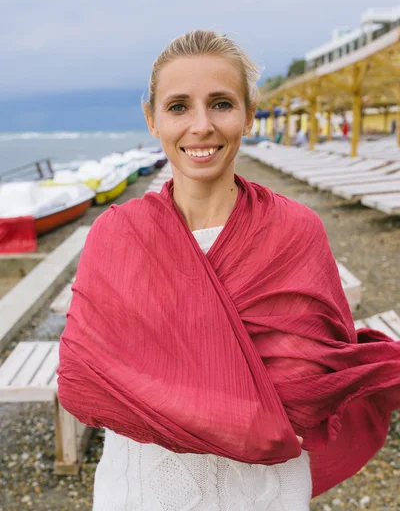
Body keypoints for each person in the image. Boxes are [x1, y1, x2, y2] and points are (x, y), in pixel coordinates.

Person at [58, 30, 400, 511]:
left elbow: (309, 390)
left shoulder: (296, 232)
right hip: (142, 491)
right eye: (178, 107)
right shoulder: (116, 235)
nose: (201, 126)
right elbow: (83, 379)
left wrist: (169, 388)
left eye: (221, 104)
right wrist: (238, 395)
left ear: (248, 113)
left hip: (264, 494)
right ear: (152, 119)